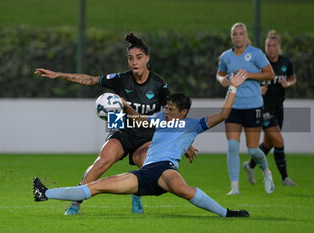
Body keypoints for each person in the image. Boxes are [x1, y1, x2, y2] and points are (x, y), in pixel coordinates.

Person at [33, 70, 250, 218]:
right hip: (145, 174)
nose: (167, 111)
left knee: (183, 190)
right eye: (167, 107)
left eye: (172, 109)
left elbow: (223, 114)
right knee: (96, 187)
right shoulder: (159, 118)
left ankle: (227, 213)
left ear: (183, 113)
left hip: (165, 169)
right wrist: (125, 106)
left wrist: (233, 88)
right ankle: (45, 194)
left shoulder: (193, 125)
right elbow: (139, 120)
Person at [34, 33, 197, 215]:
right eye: (130, 58)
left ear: (147, 59)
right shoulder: (121, 79)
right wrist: (58, 75)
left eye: (139, 57)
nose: (134, 62)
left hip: (147, 136)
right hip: (123, 130)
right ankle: (75, 203)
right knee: (102, 162)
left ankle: (136, 193)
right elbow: (90, 79)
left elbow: (173, 114)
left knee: (148, 166)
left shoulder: (159, 85)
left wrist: (187, 141)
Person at [216, 22, 276, 195]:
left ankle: (266, 172)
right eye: (235, 34)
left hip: (253, 105)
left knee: (253, 150)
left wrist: (249, 75)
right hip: (232, 105)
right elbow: (220, 74)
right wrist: (223, 81)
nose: (238, 37)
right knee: (233, 147)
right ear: (231, 36)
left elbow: (270, 74)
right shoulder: (226, 56)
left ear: (246, 35)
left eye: (241, 33)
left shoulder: (256, 54)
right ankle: (234, 187)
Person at [243, 30, 297, 186]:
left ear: (279, 47)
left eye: (274, 45)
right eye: (268, 45)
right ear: (265, 47)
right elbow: (247, 82)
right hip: (262, 107)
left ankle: (250, 165)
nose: (271, 48)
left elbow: (292, 78)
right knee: (278, 140)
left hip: (278, 106)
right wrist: (258, 90)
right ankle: (285, 178)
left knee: (269, 143)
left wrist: (288, 83)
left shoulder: (286, 62)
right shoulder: (260, 64)